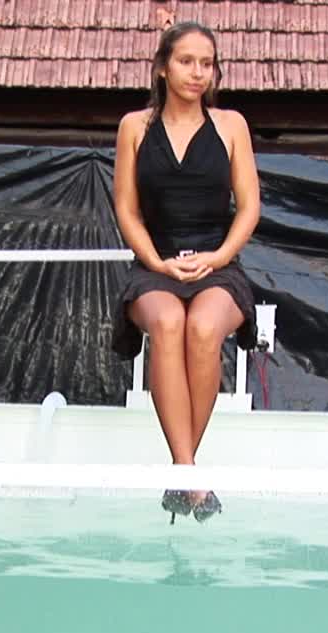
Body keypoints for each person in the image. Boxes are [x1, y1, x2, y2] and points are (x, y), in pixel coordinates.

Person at [111, 22, 260, 523]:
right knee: (169, 321)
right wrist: (156, 261)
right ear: (162, 67)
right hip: (155, 265)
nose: (198, 72)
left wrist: (217, 258)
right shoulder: (134, 127)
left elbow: (249, 209)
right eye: (186, 61)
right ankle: (191, 473)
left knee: (202, 327)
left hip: (219, 266)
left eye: (207, 63)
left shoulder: (231, 125)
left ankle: (183, 473)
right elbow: (127, 210)